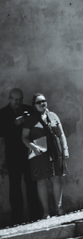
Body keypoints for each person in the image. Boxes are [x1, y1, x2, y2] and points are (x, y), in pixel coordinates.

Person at [22, 94, 69, 218]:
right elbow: (24, 137)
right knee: (41, 181)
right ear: (34, 105)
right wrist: (33, 147)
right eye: (39, 102)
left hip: (55, 151)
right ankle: (46, 212)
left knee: (56, 178)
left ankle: (59, 209)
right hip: (39, 152)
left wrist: (65, 149)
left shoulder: (53, 116)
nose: (42, 104)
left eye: (44, 101)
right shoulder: (30, 119)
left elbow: (61, 134)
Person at [0, 88, 41, 223]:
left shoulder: (28, 109)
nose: (17, 102)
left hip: (28, 151)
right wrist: (14, 124)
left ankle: (35, 214)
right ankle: (17, 217)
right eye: (15, 100)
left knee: (31, 184)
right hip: (13, 154)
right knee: (15, 186)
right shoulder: (3, 113)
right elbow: (2, 133)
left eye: (20, 100)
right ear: (10, 99)